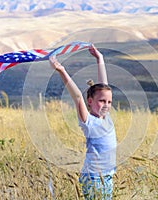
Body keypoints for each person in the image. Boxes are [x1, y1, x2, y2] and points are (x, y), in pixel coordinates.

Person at [49, 44, 117, 199]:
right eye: (101, 101)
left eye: (109, 102)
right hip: (94, 178)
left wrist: (100, 59)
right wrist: (62, 71)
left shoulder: (106, 117)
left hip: (107, 177)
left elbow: (103, 86)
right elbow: (77, 97)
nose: (106, 105)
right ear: (90, 101)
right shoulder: (89, 122)